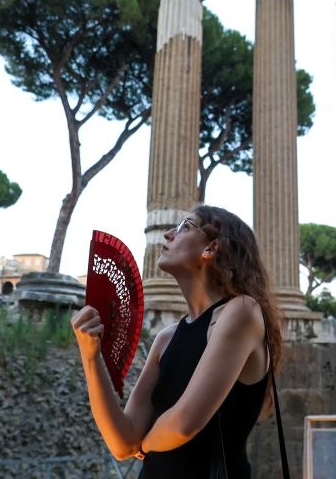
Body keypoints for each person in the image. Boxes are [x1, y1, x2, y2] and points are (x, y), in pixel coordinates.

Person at [71, 205, 283, 478]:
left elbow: (184, 424)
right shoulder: (165, 338)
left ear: (211, 248)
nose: (168, 234)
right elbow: (122, 444)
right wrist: (91, 356)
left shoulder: (241, 311)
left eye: (185, 226)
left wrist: (145, 445)